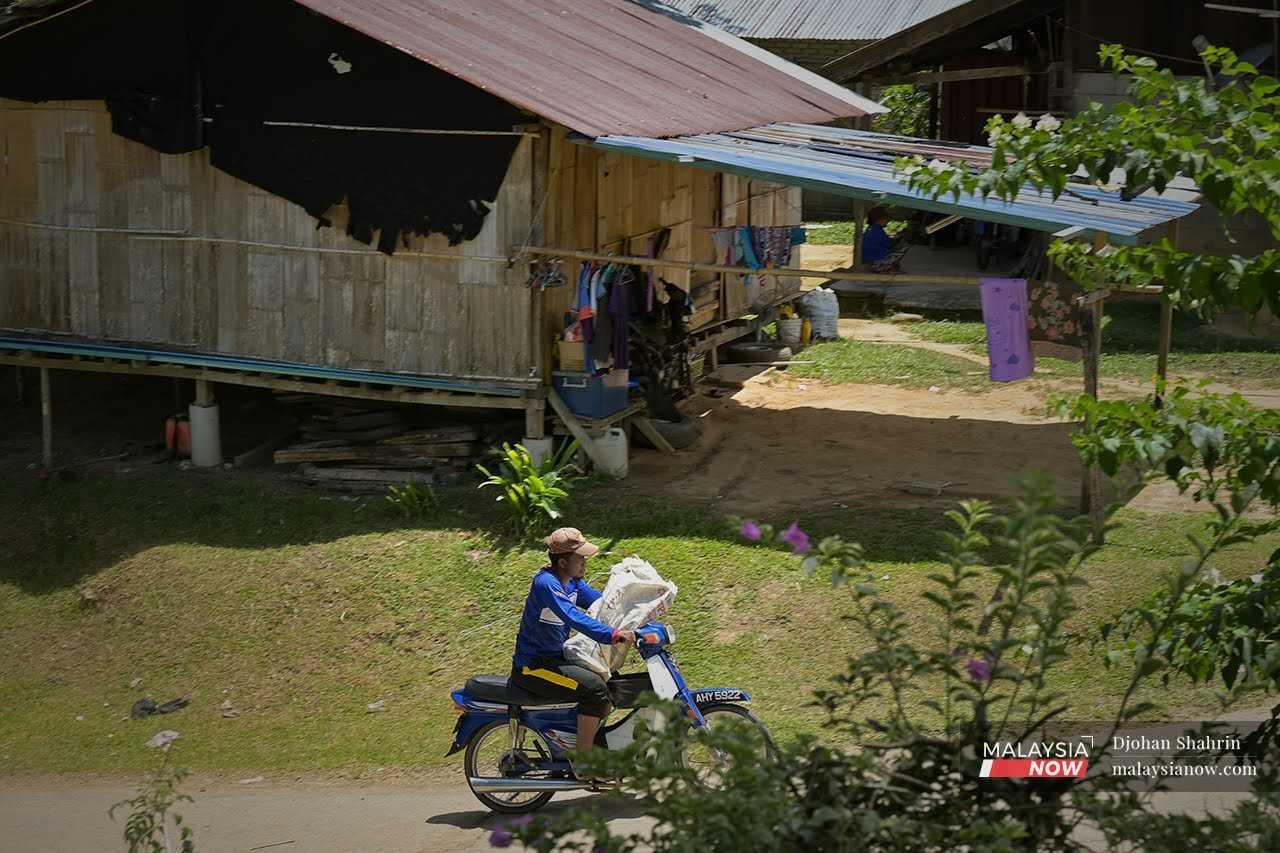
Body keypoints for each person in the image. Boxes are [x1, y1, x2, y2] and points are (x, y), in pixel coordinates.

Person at [510, 527, 635, 764]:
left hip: (557, 660)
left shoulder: (573, 584)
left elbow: (604, 605)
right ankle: (584, 761)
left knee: (612, 682)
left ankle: (588, 744)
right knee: (595, 689)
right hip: (533, 667)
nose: (585, 562)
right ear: (564, 561)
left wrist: (637, 619)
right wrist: (613, 634)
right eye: (581, 558)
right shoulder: (546, 583)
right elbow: (573, 617)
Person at [861, 207, 908, 273]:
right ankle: (888, 268)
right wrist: (900, 237)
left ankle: (889, 267)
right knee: (904, 247)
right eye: (885, 218)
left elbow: (884, 242)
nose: (887, 221)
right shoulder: (878, 231)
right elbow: (890, 244)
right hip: (875, 264)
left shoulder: (870, 229)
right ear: (878, 219)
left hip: (868, 262)